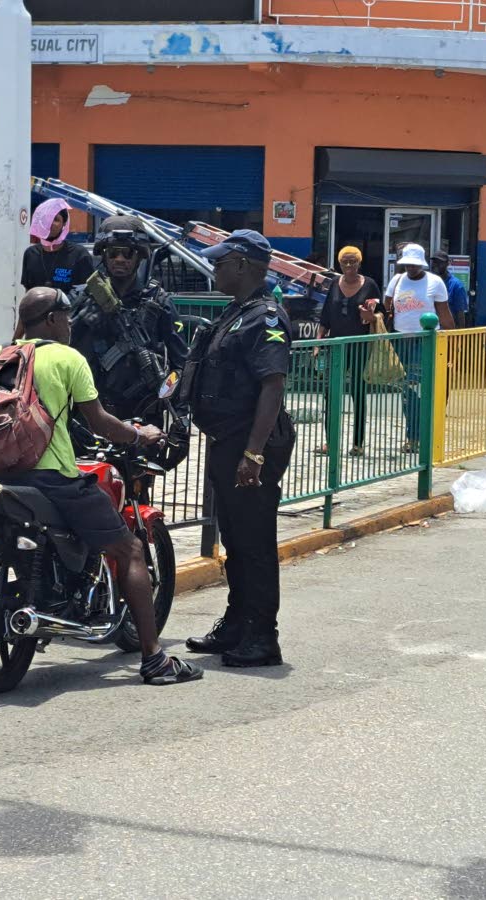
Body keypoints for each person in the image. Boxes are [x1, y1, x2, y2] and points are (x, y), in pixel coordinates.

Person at [0, 288, 202, 686]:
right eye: (65, 315)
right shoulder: (67, 358)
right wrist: (138, 433)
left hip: (2, 478)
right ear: (51, 320)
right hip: (53, 479)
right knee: (128, 550)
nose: (71, 322)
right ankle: (154, 660)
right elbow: (99, 423)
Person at [183, 230, 295, 668]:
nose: (214, 270)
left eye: (220, 263)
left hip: (253, 443)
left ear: (244, 265)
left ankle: (263, 636)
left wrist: (254, 454)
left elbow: (272, 387)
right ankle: (237, 622)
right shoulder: (236, 313)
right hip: (228, 441)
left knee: (255, 542)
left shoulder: (266, 318)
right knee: (234, 536)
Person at [69, 215, 188, 421]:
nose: (120, 259)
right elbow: (55, 351)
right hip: (89, 413)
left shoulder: (157, 301)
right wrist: (80, 324)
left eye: (128, 253)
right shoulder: (82, 297)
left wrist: (180, 413)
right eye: (113, 253)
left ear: (140, 256)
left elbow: (181, 363)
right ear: (104, 256)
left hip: (143, 414)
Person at [385, 244, 454, 452]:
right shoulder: (396, 281)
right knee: (408, 392)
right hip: (400, 341)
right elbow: (386, 308)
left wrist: (452, 344)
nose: (411, 268)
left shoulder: (435, 283)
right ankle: (413, 436)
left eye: (415, 264)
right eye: (407, 264)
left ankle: (424, 434)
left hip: (424, 342)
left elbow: (444, 314)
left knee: (422, 390)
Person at [315, 245, 381, 456]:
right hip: (336, 345)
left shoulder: (370, 285)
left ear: (360, 263)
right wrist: (318, 343)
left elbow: (383, 315)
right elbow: (325, 317)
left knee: (358, 393)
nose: (349, 265)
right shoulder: (334, 283)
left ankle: (358, 443)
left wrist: (371, 316)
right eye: (345, 261)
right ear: (340, 263)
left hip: (360, 346)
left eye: (353, 261)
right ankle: (330, 442)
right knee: (330, 393)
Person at [20, 198, 94, 294]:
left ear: (64, 224)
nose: (50, 223)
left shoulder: (79, 254)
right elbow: (28, 292)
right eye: (46, 218)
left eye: (56, 219)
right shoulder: (30, 254)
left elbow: (90, 293)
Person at [431, 250, 469, 328]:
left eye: (440, 262)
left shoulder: (456, 285)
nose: (436, 265)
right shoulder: (428, 282)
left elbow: (460, 314)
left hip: (446, 332)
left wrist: (458, 337)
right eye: (434, 262)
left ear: (447, 264)